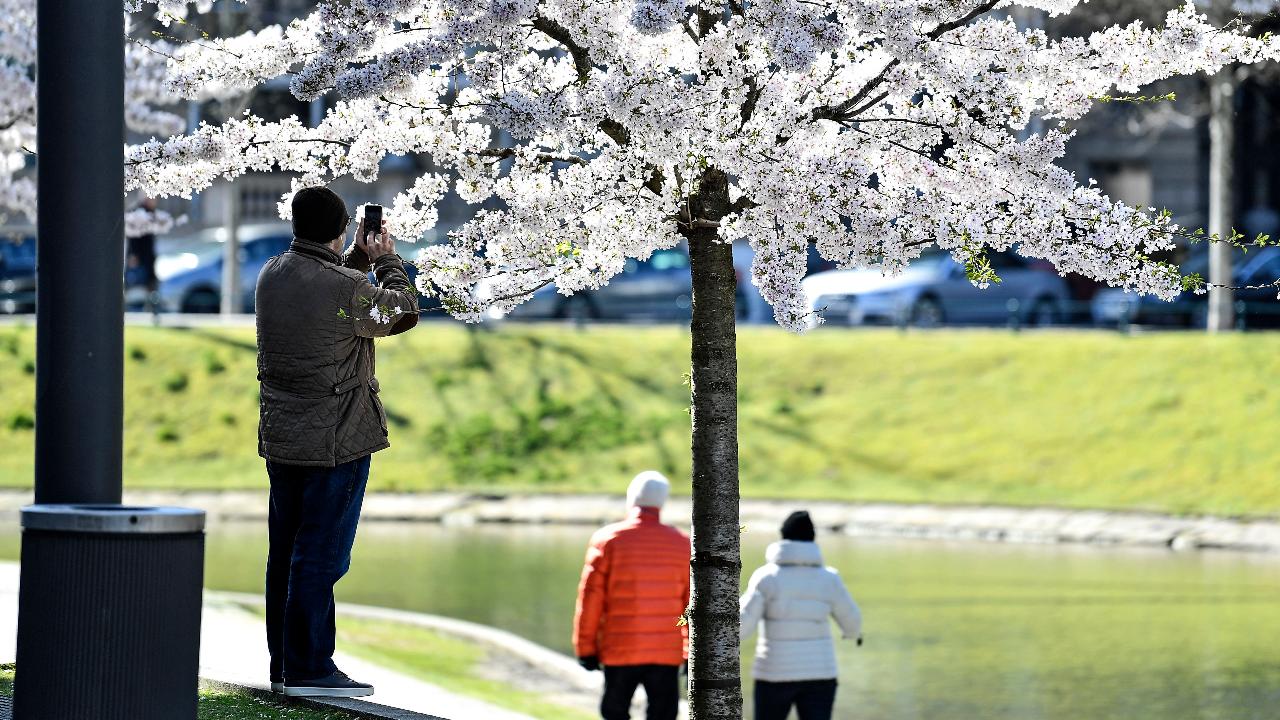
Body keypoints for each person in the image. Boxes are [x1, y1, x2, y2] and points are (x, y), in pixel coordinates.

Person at [256, 187, 419, 697]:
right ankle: (311, 667)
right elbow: (401, 311)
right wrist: (387, 259)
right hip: (336, 438)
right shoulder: (344, 288)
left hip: (284, 434)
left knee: (285, 550)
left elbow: (328, 294)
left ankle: (285, 661)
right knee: (322, 554)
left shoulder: (273, 274)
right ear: (342, 227)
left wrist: (350, 260)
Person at [574, 471, 691, 720]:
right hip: (665, 652)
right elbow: (690, 606)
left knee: (614, 712)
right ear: (662, 502)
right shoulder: (682, 544)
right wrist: (691, 650)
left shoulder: (608, 540)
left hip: (619, 649)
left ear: (631, 498)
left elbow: (591, 599)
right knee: (663, 714)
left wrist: (585, 648)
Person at [740, 511, 862, 720]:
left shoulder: (766, 576)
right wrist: (853, 634)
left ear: (783, 536)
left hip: (774, 672)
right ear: (813, 538)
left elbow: (742, 625)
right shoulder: (829, 578)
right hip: (820, 673)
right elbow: (852, 620)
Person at [125, 197, 161, 312]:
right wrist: (133, 255)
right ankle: (136, 308)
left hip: (148, 257)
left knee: (150, 285)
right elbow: (133, 237)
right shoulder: (139, 214)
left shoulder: (151, 213)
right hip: (140, 258)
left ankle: (151, 309)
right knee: (136, 284)